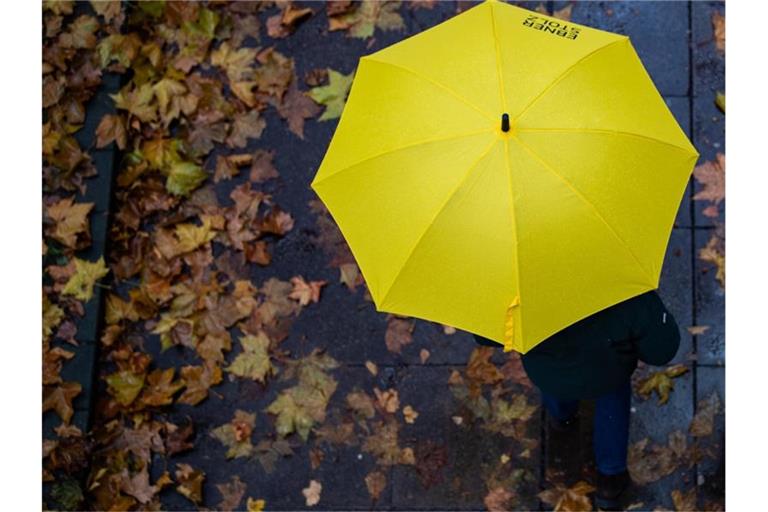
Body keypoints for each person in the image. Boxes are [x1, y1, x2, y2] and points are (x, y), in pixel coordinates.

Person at [473, 289, 681, 510]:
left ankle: (561, 420)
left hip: (548, 371)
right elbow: (662, 351)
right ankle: (610, 480)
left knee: (556, 389)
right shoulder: (626, 290)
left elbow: (485, 335)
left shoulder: (513, 289)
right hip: (607, 373)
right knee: (612, 404)